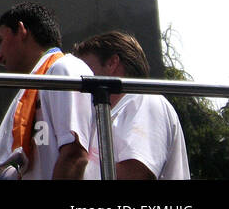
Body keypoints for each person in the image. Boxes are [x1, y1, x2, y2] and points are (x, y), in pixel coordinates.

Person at [0, 1, 96, 180]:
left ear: (21, 30)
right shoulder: (41, 81)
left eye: (1, 41)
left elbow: (75, 155)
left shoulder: (64, 68)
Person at [73, 31, 189, 179]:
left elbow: (134, 174)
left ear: (111, 63)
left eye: (84, 69)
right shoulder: (105, 116)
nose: (79, 78)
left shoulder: (145, 101)